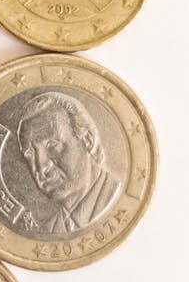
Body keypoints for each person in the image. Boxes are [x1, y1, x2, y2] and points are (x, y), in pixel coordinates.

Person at [17, 91, 120, 233]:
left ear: (87, 141)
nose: (41, 167)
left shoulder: (117, 198)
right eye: (29, 153)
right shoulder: (49, 230)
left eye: (52, 146)